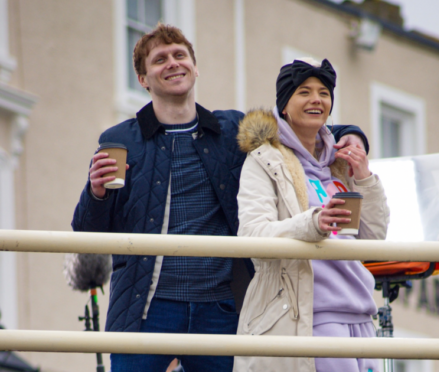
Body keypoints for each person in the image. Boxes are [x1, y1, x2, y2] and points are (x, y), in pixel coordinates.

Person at [72, 23, 370, 372]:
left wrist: (354, 135)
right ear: (143, 79)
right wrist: (95, 192)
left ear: (195, 68)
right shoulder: (120, 138)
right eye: (159, 59)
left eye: (180, 55)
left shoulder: (232, 130)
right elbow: (87, 231)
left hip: (219, 308)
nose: (172, 63)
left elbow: (297, 123)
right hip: (144, 309)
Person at [233, 58, 390, 372]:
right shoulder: (264, 160)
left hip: (361, 316)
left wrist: (363, 177)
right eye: (304, 92)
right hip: (310, 317)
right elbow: (252, 234)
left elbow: (374, 238)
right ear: (285, 106)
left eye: (324, 93)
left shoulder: (340, 162)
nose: (316, 99)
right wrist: (313, 222)